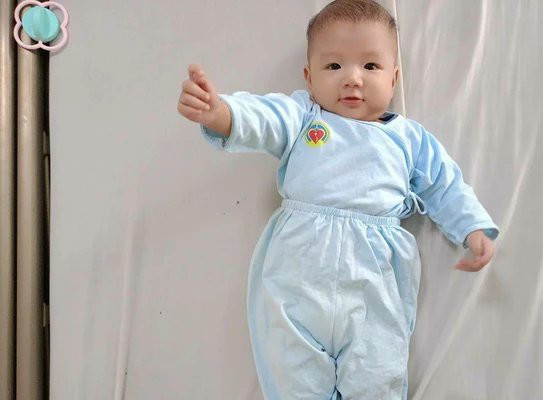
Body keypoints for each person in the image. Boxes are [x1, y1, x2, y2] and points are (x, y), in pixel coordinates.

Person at [177, 1, 499, 398]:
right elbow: (263, 118)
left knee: (377, 370)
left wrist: (471, 227)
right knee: (291, 368)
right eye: (334, 66)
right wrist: (219, 112)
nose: (352, 79)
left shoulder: (409, 139)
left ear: (394, 77)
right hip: (299, 268)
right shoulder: (304, 117)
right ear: (309, 78)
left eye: (370, 66)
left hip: (375, 276)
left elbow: (444, 184)